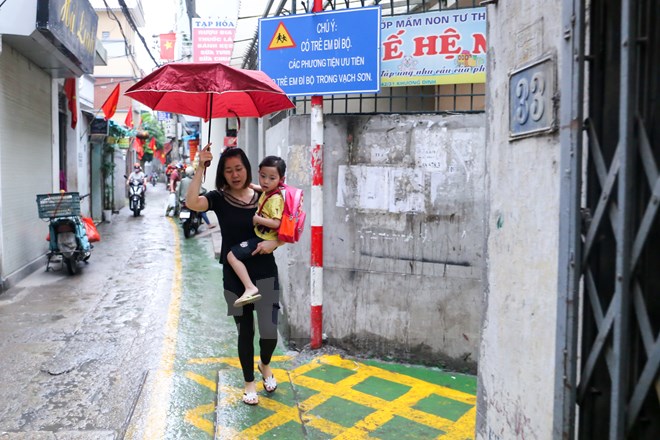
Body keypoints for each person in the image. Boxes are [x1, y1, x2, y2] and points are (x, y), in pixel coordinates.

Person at [185, 145, 281, 406]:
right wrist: (199, 168)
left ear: (247, 168)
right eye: (228, 170)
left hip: (264, 267)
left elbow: (287, 223)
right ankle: (249, 382)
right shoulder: (218, 197)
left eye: (238, 168)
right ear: (222, 174)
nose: (235, 174)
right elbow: (192, 202)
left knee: (270, 329)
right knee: (245, 331)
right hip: (234, 275)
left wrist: (277, 243)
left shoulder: (264, 194)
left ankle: (265, 364)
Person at [227, 156, 285, 307]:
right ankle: (250, 287)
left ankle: (250, 287)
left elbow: (276, 223)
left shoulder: (276, 199)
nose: (265, 181)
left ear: (281, 179)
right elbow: (263, 190)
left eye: (271, 178)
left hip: (262, 238)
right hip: (261, 237)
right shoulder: (270, 191)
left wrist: (257, 219)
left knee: (231, 256)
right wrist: (253, 186)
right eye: (263, 176)